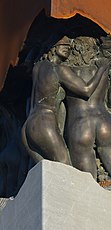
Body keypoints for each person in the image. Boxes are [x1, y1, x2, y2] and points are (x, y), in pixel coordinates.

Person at [22, 36, 105, 165]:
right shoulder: (59, 69)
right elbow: (86, 90)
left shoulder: (37, 67)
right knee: (66, 168)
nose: (68, 48)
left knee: (48, 173)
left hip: (28, 126)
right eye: (63, 45)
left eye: (69, 47)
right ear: (53, 48)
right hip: (45, 124)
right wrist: (102, 70)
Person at [64, 36, 111, 182]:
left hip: (80, 124)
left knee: (86, 183)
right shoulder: (102, 70)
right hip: (104, 120)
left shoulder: (66, 71)